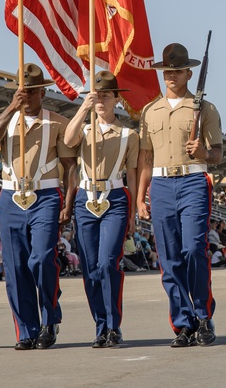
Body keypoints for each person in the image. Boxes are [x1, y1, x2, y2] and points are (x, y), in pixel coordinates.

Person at [0, 63, 76, 351]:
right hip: (11, 197)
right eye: (24, 91)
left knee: (42, 258)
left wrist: (68, 202)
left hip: (45, 196)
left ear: (43, 92)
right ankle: (26, 329)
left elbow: (70, 166)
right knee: (15, 266)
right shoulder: (6, 121)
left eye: (34, 91)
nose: (29, 95)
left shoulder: (57, 123)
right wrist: (11, 108)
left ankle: (50, 317)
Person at [136, 42, 222, 348]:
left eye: (178, 71)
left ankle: (203, 315)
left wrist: (204, 152)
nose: (172, 76)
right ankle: (183, 323)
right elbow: (145, 158)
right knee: (170, 259)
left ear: (188, 73)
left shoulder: (205, 109)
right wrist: (140, 195)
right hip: (160, 187)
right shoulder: (150, 111)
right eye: (167, 71)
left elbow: (218, 153)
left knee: (193, 249)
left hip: (193, 183)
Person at [64, 70, 139, 349]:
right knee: (90, 267)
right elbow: (69, 141)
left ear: (117, 99)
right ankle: (100, 325)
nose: (100, 100)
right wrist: (84, 106)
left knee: (108, 262)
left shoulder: (129, 134)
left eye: (106, 95)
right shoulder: (84, 129)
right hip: (86, 198)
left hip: (115, 197)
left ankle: (113, 325)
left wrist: (133, 215)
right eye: (96, 95)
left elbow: (131, 175)